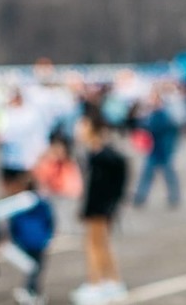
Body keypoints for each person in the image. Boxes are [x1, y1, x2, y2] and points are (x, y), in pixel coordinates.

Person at [72, 110, 128, 305]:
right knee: (102, 244)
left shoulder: (103, 155)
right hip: (99, 207)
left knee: (94, 245)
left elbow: (113, 181)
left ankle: (96, 283)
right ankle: (112, 281)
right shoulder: (95, 152)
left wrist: (112, 204)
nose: (79, 129)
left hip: (100, 208)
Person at [6, 176, 55, 305]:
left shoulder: (19, 203)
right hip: (40, 240)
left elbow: (13, 223)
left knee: (30, 267)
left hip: (24, 241)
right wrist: (48, 235)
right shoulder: (42, 202)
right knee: (36, 268)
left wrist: (15, 238)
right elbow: (50, 219)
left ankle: (29, 290)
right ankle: (32, 291)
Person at [131, 90, 180, 209]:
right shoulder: (153, 114)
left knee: (167, 176)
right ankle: (140, 197)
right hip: (155, 151)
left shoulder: (163, 115)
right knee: (148, 175)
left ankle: (173, 197)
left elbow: (158, 129)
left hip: (162, 151)